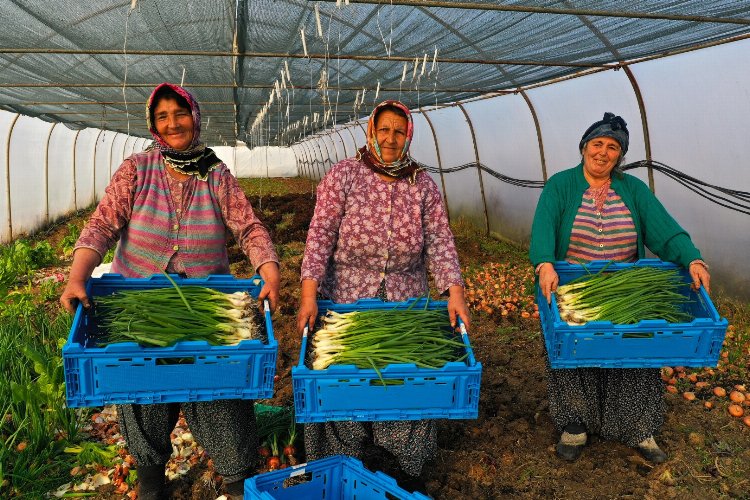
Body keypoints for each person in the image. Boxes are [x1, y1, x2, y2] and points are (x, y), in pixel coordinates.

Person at [60, 82, 280, 499]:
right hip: (137, 303)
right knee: (144, 392)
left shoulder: (216, 173)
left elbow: (248, 227)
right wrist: (77, 276)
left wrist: (268, 271)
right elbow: (103, 223)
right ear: (153, 124)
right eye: (162, 116)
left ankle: (237, 482)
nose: (172, 123)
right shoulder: (137, 169)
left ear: (194, 117)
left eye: (179, 113)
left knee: (220, 392)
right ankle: (151, 482)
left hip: (207, 303)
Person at [296, 100, 470, 492]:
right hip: (347, 300)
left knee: (405, 380)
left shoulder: (422, 184)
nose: (390, 138)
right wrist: (309, 293)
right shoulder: (344, 176)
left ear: (408, 135)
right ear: (371, 131)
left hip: (405, 303)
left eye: (399, 131)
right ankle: (343, 458)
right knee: (346, 379)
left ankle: (403, 466)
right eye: (384, 129)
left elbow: (441, 240)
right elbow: (320, 236)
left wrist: (453, 290)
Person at [529, 112, 711, 464]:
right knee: (573, 358)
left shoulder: (633, 189)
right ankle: (574, 426)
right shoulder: (561, 185)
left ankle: (638, 429)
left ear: (620, 155)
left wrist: (692, 259)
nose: (603, 152)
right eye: (597, 144)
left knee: (636, 357)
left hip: (627, 290)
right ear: (584, 148)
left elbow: (665, 230)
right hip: (574, 292)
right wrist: (544, 262)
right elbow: (543, 229)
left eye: (613, 147)